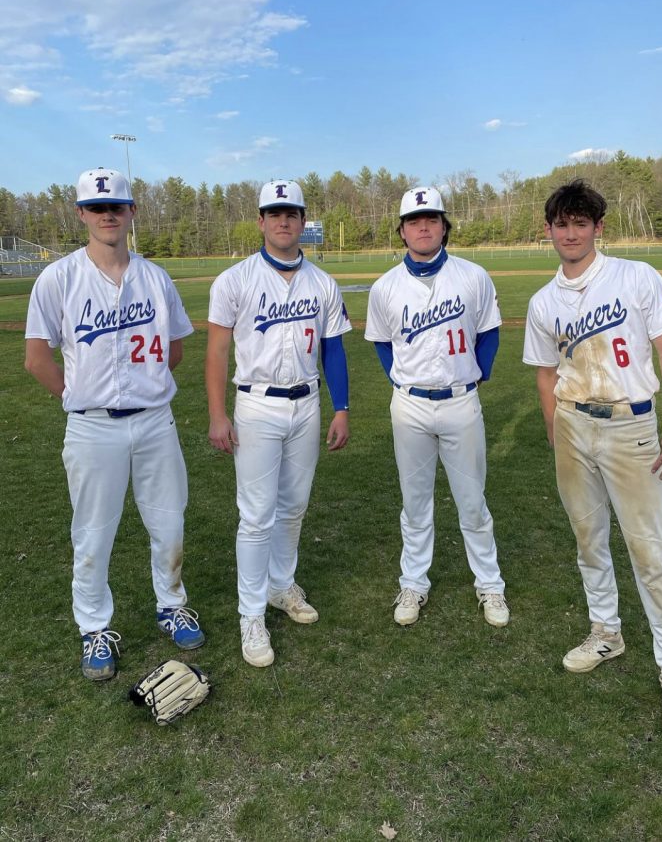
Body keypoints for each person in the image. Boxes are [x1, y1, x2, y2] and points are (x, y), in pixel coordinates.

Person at [522, 178, 662, 740]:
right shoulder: (544, 300)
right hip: (575, 424)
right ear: (548, 230)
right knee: (588, 538)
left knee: (651, 554)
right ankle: (607, 631)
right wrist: (555, 427)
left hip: (632, 424)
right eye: (561, 223)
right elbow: (546, 374)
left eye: (581, 222)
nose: (570, 233)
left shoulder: (635, 276)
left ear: (598, 227)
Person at [24, 167, 204, 681]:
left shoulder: (155, 277)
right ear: (81, 213)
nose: (108, 214)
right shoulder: (58, 278)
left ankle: (172, 606)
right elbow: (37, 358)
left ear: (131, 212)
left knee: (169, 523)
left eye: (117, 206)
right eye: (97, 207)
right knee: (93, 534)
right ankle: (94, 629)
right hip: (91, 427)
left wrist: (142, 389)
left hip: (154, 422)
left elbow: (174, 351)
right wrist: (79, 396)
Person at [206, 180, 351, 667]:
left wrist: (342, 407)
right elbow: (218, 351)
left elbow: (333, 349)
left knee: (293, 506)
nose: (284, 220)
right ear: (261, 221)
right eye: (274, 212)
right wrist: (217, 413)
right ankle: (250, 613)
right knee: (256, 515)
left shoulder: (322, 283)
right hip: (257, 404)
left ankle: (281, 585)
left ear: (302, 219)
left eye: (291, 212)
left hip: (307, 402)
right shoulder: (234, 280)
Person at [365, 186, 509, 628]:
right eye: (414, 220)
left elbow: (489, 333)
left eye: (431, 219)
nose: (423, 226)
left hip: (460, 402)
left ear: (444, 226)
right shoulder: (385, 286)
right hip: (409, 405)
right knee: (415, 504)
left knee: (472, 502)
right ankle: (414, 582)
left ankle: (490, 586)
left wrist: (475, 375)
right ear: (403, 231)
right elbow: (382, 346)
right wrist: (401, 381)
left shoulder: (472, 275)